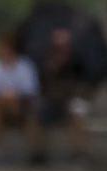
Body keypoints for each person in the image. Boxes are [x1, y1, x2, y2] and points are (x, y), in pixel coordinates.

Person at [34, 27, 89, 163]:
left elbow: (83, 84)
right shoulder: (46, 60)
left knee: (77, 112)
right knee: (34, 115)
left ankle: (79, 152)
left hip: (71, 99)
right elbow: (42, 85)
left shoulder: (77, 61)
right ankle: (38, 153)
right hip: (51, 100)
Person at [0, 32, 39, 148]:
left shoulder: (25, 67)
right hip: (0, 105)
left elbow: (30, 90)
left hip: (21, 106)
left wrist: (13, 95)